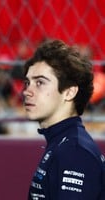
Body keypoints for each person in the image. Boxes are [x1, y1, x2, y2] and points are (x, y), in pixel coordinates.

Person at [23, 39, 105, 199]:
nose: (27, 91)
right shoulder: (63, 143)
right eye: (27, 82)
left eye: (40, 82)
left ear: (69, 92)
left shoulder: (75, 152)